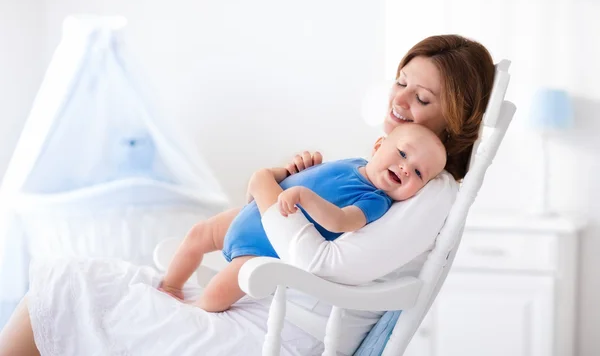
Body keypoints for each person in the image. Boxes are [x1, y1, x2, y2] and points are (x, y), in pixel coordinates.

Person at [0, 34, 496, 356]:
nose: (400, 100)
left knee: (71, 291)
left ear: (456, 119)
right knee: (77, 285)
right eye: (401, 82)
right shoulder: (380, 164)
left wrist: (266, 188)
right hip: (276, 296)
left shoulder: (430, 191)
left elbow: (327, 259)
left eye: (422, 98)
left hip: (284, 324)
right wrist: (288, 177)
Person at [159, 124, 446, 312]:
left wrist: (305, 197)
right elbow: (308, 177)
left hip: (265, 249)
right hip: (254, 214)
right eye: (402, 153)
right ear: (378, 146)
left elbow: (342, 221)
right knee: (200, 233)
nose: (406, 168)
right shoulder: (354, 163)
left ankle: (195, 311)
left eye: (419, 173)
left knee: (224, 288)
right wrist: (285, 173)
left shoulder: (376, 201)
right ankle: (170, 285)